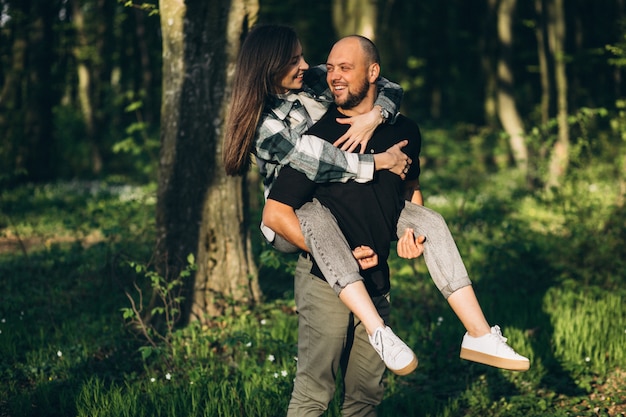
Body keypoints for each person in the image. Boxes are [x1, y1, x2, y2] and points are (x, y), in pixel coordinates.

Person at [223, 24, 419, 376]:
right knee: (317, 381)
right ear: (269, 67)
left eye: (302, 55)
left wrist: (375, 117)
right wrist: (379, 161)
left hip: (336, 204)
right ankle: (378, 329)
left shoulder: (312, 80)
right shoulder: (262, 124)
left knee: (364, 385)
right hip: (292, 217)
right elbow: (316, 159)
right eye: (294, 59)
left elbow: (386, 85)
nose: (306, 65)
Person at [266, 35, 425, 415]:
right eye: (330, 67)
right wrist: (342, 252)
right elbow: (275, 214)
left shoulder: (400, 129)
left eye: (343, 67)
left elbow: (409, 190)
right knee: (313, 395)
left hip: (376, 276)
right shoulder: (312, 137)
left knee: (365, 399)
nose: (327, 73)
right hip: (326, 279)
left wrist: (409, 233)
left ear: (372, 72)